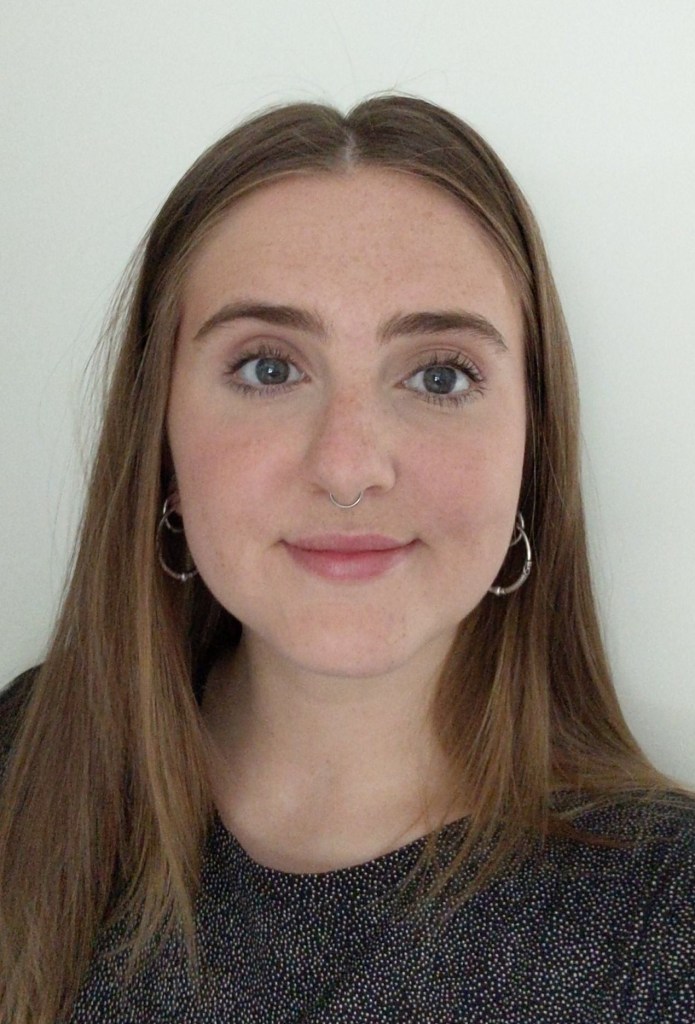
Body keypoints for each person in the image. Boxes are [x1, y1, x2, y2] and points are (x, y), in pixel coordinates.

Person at [0, 95, 693, 1024]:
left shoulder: (664, 924)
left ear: (531, 451)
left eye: (439, 375)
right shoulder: (23, 765)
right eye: (268, 368)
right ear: (159, 443)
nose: (347, 467)